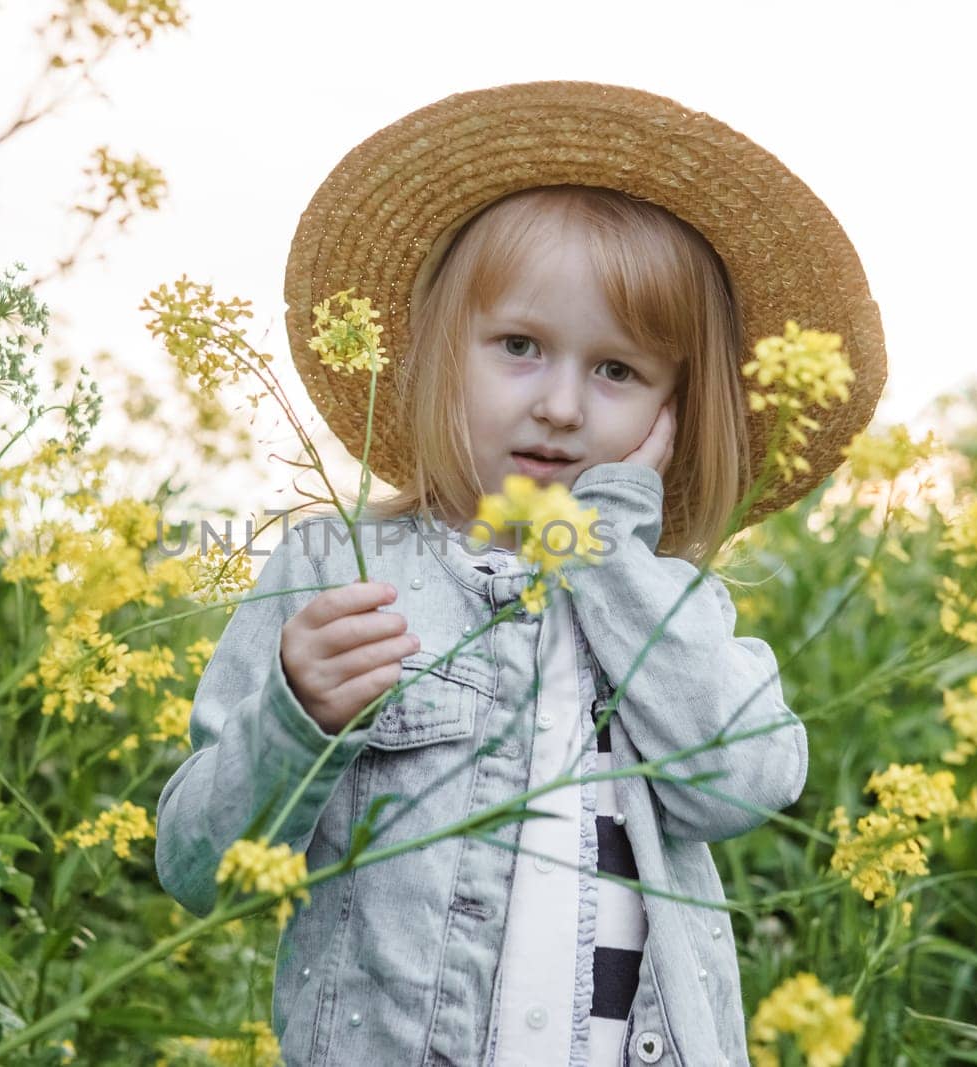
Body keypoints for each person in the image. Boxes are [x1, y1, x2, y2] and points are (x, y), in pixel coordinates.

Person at [155, 80, 887, 1067]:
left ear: (675, 412)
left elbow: (740, 783)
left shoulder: (679, 603)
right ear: (432, 359)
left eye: (616, 371)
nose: (559, 405)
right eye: (519, 347)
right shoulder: (338, 570)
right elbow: (199, 866)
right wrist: (297, 713)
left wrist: (607, 549)